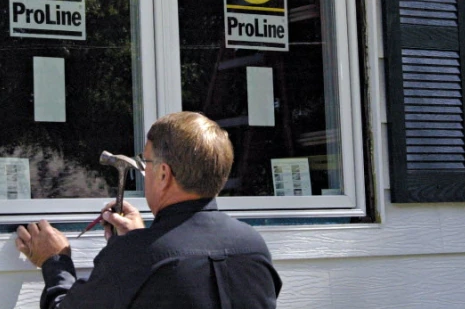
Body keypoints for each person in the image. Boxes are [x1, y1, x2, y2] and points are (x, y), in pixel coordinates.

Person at [15, 111, 282, 309]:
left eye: (145, 161)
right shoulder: (253, 246)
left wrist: (54, 261)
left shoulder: (135, 254)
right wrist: (143, 239)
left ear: (164, 173)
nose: (142, 170)